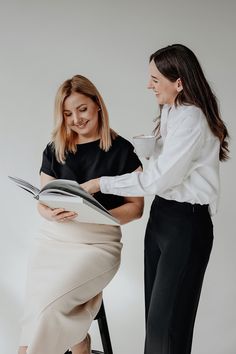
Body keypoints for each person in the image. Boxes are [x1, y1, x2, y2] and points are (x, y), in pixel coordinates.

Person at [80, 44, 230, 354]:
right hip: (163, 217)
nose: (149, 85)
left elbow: (158, 179)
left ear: (179, 82)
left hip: (186, 223)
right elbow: (165, 172)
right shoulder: (171, 110)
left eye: (155, 79)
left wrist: (98, 183)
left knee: (168, 327)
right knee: (157, 322)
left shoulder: (192, 118)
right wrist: (153, 151)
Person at [18, 75, 144, 354]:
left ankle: (38, 350)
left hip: (98, 244)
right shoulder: (56, 147)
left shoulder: (121, 150)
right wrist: (49, 214)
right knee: (38, 303)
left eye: (82, 109)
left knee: (52, 304)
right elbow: (44, 201)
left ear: (97, 104)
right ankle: (78, 343)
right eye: (67, 113)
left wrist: (100, 214)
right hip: (53, 240)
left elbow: (136, 208)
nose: (76, 119)